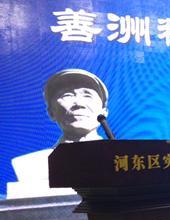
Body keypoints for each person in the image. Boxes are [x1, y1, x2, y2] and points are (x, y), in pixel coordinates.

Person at [7, 69, 109, 199]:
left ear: (104, 112)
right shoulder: (30, 165)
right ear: (51, 113)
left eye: (87, 95)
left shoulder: (123, 158)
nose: (79, 104)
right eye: (67, 95)